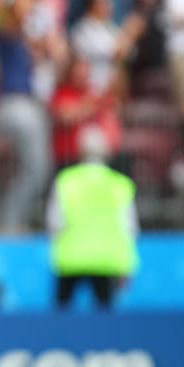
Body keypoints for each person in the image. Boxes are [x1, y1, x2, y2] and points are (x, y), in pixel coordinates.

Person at [47, 126, 139, 309]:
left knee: (60, 320)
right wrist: (126, 267)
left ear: (80, 151)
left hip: (70, 260)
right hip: (106, 262)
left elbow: (54, 223)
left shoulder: (66, 181)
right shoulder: (119, 184)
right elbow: (129, 228)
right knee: (105, 325)